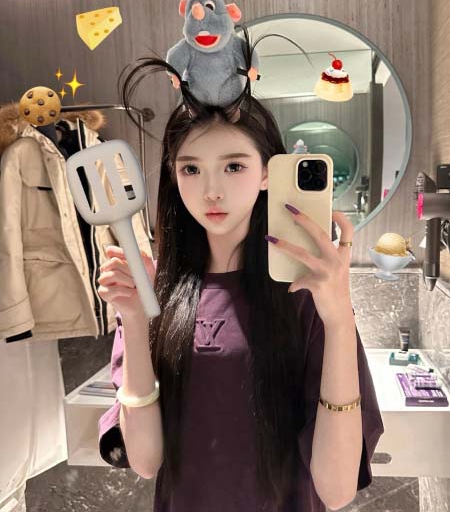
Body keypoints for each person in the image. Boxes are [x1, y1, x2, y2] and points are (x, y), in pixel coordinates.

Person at [97, 44, 384, 512]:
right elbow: (146, 462)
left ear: (268, 173)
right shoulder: (154, 293)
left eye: (234, 166)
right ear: (173, 175)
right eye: (191, 168)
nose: (212, 190)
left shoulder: (306, 292)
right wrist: (132, 318)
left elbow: (335, 489)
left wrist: (338, 321)